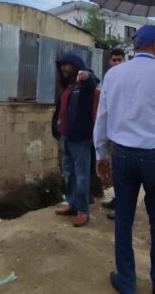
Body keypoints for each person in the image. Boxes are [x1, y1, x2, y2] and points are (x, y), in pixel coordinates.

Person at [95, 25, 155, 294]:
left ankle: (126, 281)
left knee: (124, 217)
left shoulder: (114, 73)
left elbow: (103, 116)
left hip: (122, 154)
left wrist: (101, 154)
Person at [52, 52, 99, 227]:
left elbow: (92, 80)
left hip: (80, 139)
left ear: (76, 66)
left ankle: (82, 210)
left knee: (82, 176)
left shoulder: (83, 85)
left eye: (67, 64)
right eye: (62, 65)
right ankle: (72, 204)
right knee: (69, 173)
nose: (64, 67)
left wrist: (87, 75)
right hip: (66, 137)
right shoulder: (68, 87)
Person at [100, 47, 127, 220]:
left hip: (124, 133)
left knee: (124, 174)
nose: (116, 63)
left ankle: (123, 208)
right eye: (114, 60)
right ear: (109, 62)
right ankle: (118, 199)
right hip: (111, 131)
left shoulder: (127, 79)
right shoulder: (108, 80)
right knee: (115, 170)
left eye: (120, 60)